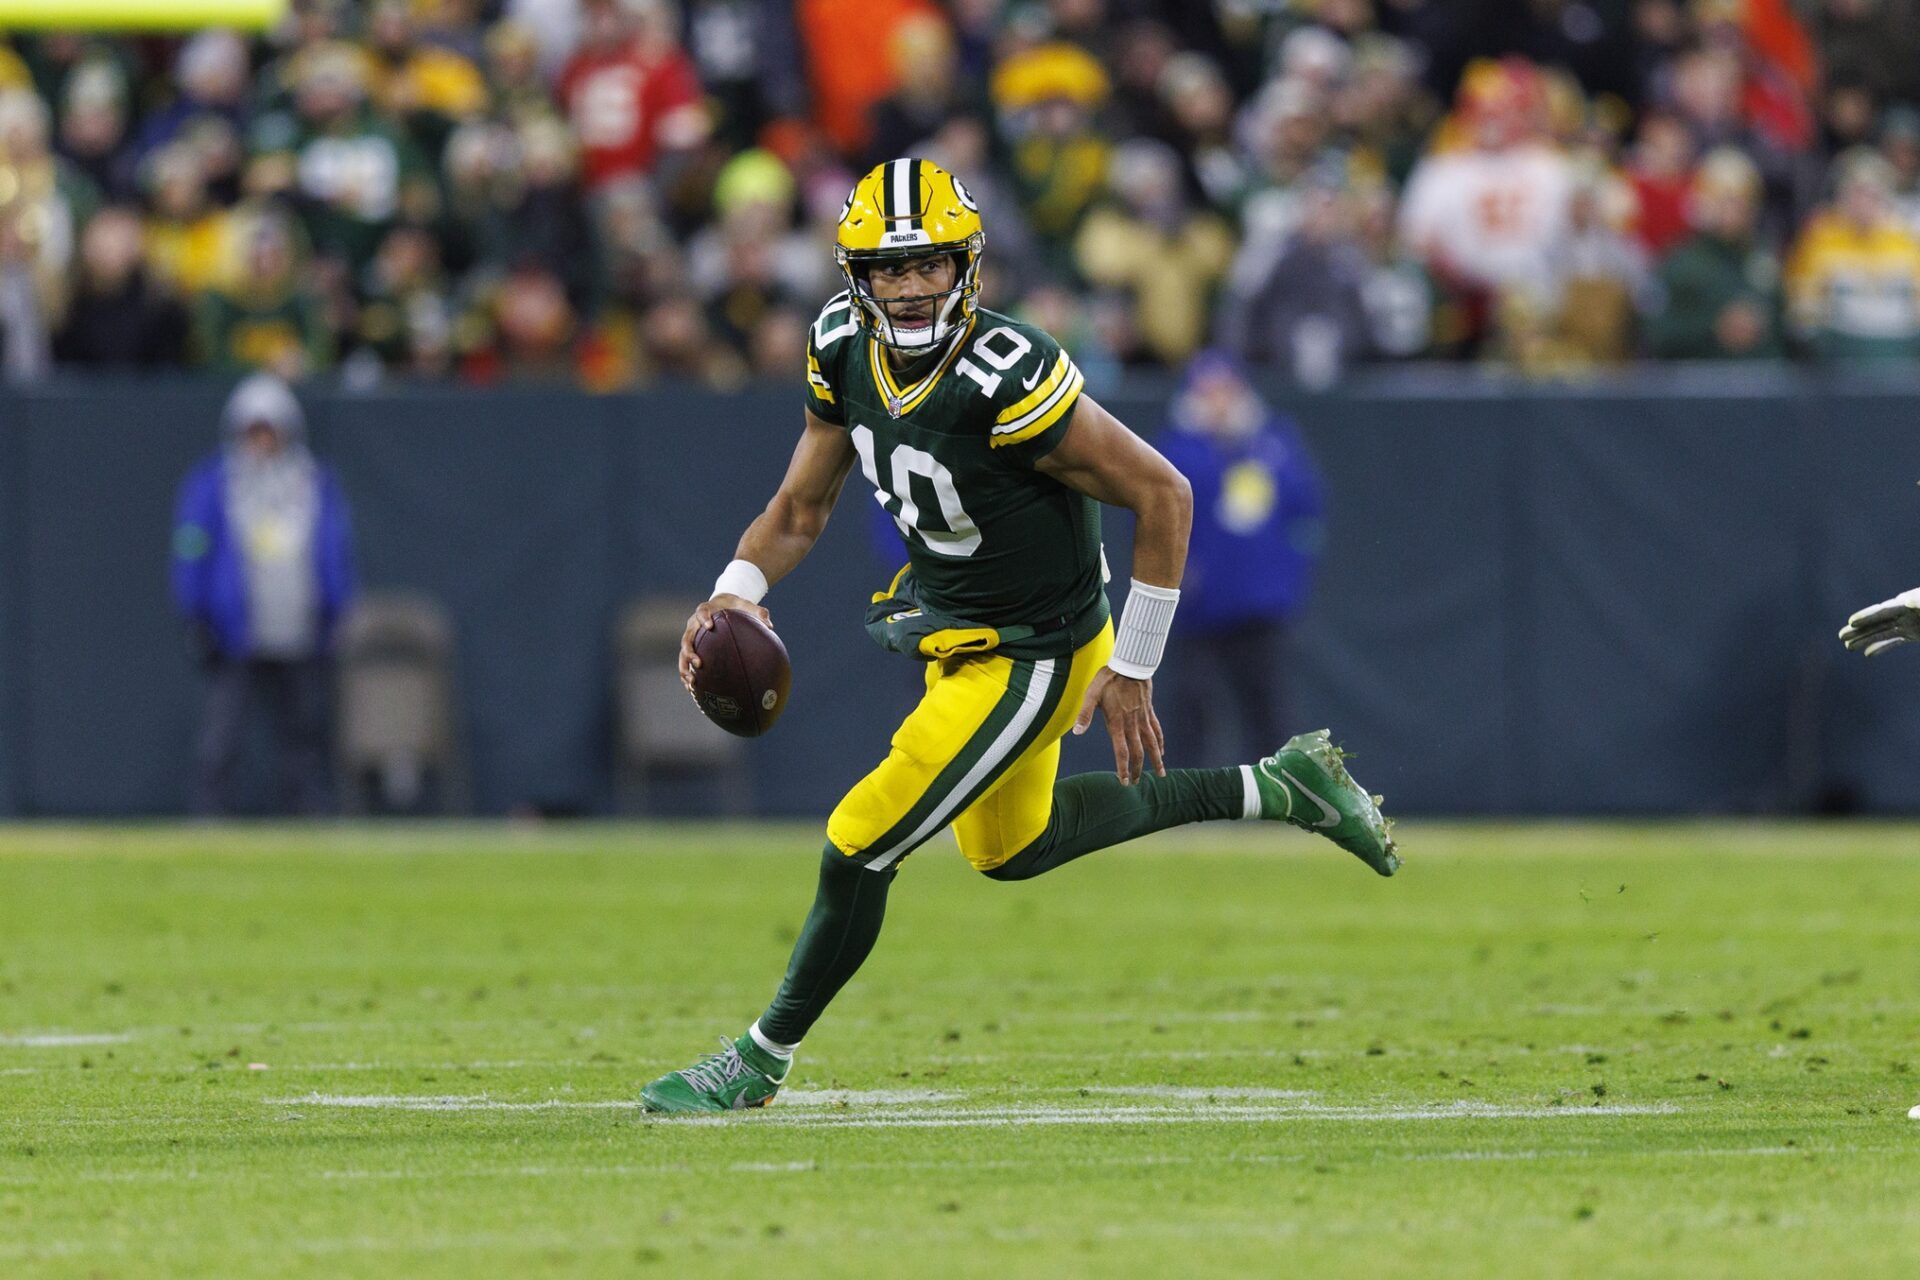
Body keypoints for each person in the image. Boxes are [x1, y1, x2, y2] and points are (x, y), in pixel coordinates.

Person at [639, 158, 1397, 1115]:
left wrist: (1134, 664)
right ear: (855, 277)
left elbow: (1164, 491)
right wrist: (732, 592)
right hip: (964, 632)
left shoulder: (1006, 371)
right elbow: (799, 507)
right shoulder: (837, 343)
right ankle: (1281, 786)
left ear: (967, 267)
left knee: (858, 842)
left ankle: (759, 1057)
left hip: (1037, 647)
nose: (910, 287)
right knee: (1012, 848)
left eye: (929, 265)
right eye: (889, 268)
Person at [171, 373, 357, 815]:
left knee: (305, 732)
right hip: (235, 628)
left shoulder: (312, 482)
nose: (262, 439)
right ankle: (209, 817)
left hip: (299, 628)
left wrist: (337, 608)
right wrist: (195, 610)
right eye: (253, 429)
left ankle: (310, 816)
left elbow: (334, 546)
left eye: (269, 428)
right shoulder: (212, 483)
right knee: (222, 734)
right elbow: (191, 544)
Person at [1154, 351, 1325, 767]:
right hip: (1199, 606)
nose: (1218, 402)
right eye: (1208, 392)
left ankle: (1283, 792)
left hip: (1258, 604)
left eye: (1225, 391)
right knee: (1192, 704)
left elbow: (1308, 510)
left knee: (1268, 703)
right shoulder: (1177, 450)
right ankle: (1186, 796)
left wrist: (1288, 574)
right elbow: (1150, 515)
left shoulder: (1274, 443)